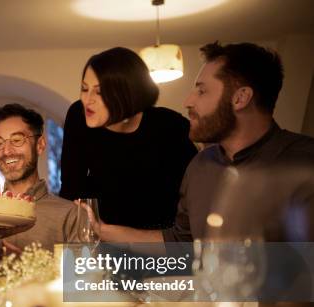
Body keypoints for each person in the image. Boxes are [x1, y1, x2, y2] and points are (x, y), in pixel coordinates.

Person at [95, 42, 314, 244]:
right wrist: (101, 230)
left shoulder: (305, 163)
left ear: (240, 98)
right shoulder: (200, 165)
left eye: (202, 91)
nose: (188, 101)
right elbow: (179, 242)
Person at [59, 47, 197, 230]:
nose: (87, 100)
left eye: (99, 92)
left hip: (160, 241)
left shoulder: (170, 126)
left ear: (128, 93)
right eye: (84, 89)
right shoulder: (78, 115)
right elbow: (71, 188)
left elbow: (193, 195)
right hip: (103, 237)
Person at [0, 103, 79, 251]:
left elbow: (84, 273)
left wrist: (28, 265)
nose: (6, 151)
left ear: (40, 145)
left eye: (17, 140)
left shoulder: (70, 215)